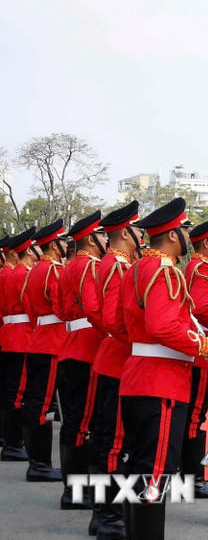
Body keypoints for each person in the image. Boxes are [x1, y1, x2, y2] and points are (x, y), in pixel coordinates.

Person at [118, 197, 208, 540]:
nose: (189, 236)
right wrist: (203, 344)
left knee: (139, 469)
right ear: (174, 235)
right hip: (161, 381)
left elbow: (120, 323)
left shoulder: (135, 268)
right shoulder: (163, 272)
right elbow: (163, 326)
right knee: (155, 473)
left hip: (137, 375)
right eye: (186, 230)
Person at [89, 200, 141, 540]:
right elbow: (110, 317)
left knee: (109, 437)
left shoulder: (111, 263)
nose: (141, 235)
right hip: (119, 359)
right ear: (125, 233)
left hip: (112, 355)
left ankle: (104, 511)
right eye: (137, 230)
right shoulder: (118, 266)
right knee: (113, 440)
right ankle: (107, 514)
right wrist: (135, 339)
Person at [57, 210, 107, 510]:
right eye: (102, 235)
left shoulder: (70, 266)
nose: (105, 239)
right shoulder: (89, 266)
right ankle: (78, 492)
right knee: (84, 421)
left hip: (73, 343)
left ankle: (73, 490)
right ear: (91, 239)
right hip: (88, 347)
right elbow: (94, 308)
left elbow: (63, 310)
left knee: (76, 420)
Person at [21, 220, 69, 483]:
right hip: (53, 340)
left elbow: (28, 306)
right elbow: (61, 307)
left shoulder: (36, 270)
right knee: (42, 405)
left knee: (37, 400)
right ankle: (39, 464)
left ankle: (37, 462)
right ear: (53, 244)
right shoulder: (52, 270)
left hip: (40, 336)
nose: (65, 245)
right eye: (62, 241)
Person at [181, 217, 208, 499]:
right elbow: (202, 309)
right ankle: (192, 478)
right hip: (202, 353)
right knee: (195, 416)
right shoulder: (203, 268)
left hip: (202, 350)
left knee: (193, 415)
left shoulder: (196, 266)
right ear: (206, 243)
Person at [0, 228, 37, 463]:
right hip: (22, 334)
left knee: (10, 388)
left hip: (9, 332)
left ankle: (11, 439)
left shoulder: (10, 274)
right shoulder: (24, 275)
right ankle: (14, 443)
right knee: (17, 392)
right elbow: (32, 309)